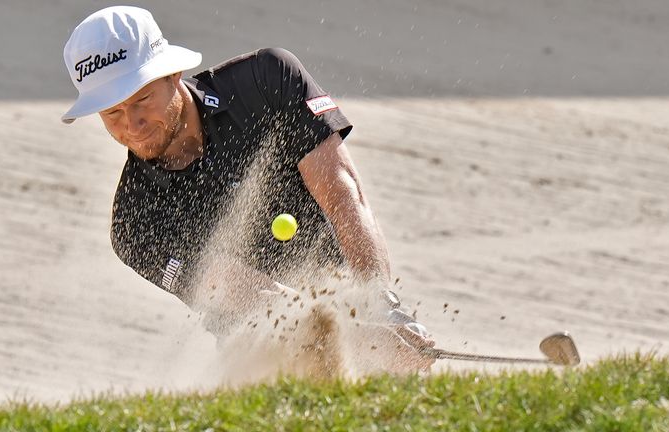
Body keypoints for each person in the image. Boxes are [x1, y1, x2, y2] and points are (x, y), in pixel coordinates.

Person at [62, 6, 435, 373]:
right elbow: (231, 288)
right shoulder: (135, 223)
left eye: (142, 100)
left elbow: (343, 193)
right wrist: (350, 334)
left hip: (353, 291)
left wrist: (381, 307)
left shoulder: (265, 81)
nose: (134, 125)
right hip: (269, 350)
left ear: (173, 74)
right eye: (112, 113)